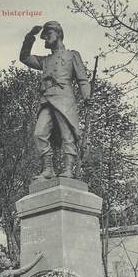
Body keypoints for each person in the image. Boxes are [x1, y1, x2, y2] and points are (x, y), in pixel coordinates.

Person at [20, 21, 92, 180]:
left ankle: (68, 168)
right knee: (39, 133)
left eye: (48, 35)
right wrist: (30, 37)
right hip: (46, 100)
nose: (46, 39)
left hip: (64, 98)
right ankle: (48, 170)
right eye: (44, 37)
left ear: (58, 34)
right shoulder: (44, 60)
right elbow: (24, 57)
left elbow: (82, 79)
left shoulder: (72, 55)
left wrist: (87, 96)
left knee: (68, 135)